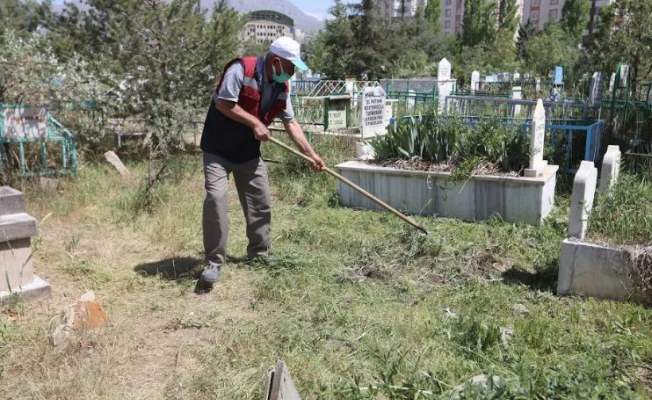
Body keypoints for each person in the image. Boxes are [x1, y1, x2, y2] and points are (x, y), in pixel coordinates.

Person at [196, 36, 324, 293]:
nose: (292, 72)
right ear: (276, 61)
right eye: (291, 67)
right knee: (216, 198)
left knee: (260, 199)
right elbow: (224, 103)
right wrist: (255, 123)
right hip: (218, 149)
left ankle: (259, 252)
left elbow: (291, 124)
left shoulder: (282, 87)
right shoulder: (240, 69)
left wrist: (311, 154)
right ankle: (213, 263)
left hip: (247, 152)